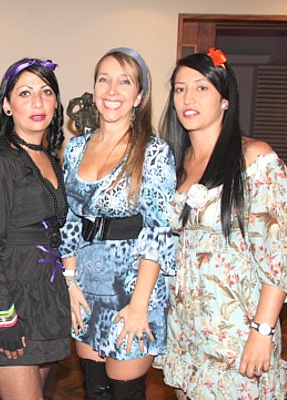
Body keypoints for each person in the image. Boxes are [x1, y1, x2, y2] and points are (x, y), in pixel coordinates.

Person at [157, 49, 287, 400]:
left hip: (237, 330)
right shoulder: (173, 164)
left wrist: (262, 330)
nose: (188, 98)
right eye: (180, 89)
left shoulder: (254, 159)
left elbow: (280, 255)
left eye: (201, 87)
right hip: (185, 329)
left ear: (225, 99)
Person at [60, 48, 177, 400]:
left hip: (133, 290)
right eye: (104, 79)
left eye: (124, 81)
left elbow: (158, 232)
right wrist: (70, 283)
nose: (112, 90)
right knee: (95, 391)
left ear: (139, 96)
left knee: (125, 393)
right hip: (85, 288)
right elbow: (69, 219)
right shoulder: (75, 148)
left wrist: (140, 304)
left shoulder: (154, 152)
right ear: (94, 88)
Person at [0, 58, 71, 400]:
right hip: (7, 300)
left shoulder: (50, 158)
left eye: (46, 92)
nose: (37, 102)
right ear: (6, 105)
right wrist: (3, 317)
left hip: (45, 298)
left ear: (56, 102)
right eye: (25, 93)